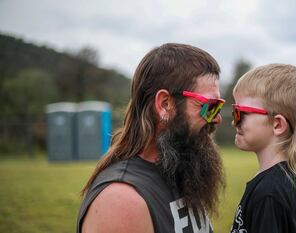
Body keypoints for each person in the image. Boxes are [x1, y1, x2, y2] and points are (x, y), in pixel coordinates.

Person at [77, 43, 226, 233]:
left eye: (219, 107)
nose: (218, 118)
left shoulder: (180, 172)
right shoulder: (121, 200)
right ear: (165, 105)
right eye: (211, 106)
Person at [229, 64, 296, 233]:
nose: (233, 121)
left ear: (277, 124)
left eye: (240, 113)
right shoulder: (284, 180)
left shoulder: (269, 194)